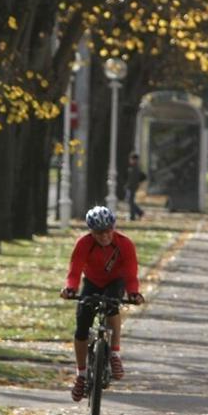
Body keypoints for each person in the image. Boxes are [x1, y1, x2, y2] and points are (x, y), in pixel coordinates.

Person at [60, 206, 144, 401]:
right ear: (91, 231)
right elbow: (74, 272)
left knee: (112, 305)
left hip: (115, 282)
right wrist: (70, 289)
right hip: (92, 283)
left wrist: (133, 293)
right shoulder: (84, 244)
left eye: (108, 231)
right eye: (99, 232)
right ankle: (81, 375)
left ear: (113, 228)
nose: (105, 236)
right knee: (82, 327)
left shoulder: (124, 244)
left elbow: (131, 274)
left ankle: (114, 354)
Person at [126, 153, 147, 221]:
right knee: (130, 201)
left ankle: (133, 216)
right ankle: (139, 213)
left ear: (134, 160)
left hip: (132, 187)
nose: (130, 160)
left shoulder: (135, 168)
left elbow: (133, 179)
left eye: (131, 159)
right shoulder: (133, 167)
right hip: (132, 187)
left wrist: (129, 186)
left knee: (130, 202)